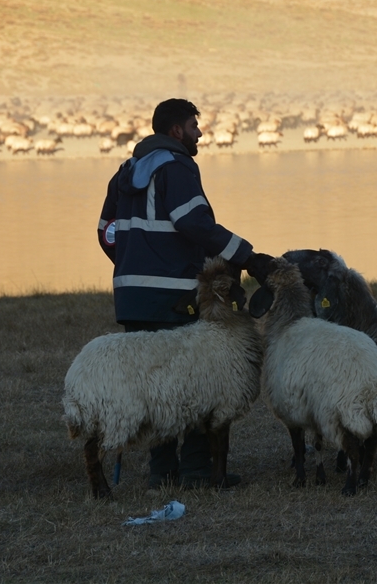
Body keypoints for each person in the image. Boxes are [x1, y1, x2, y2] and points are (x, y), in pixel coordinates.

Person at [98, 97, 268, 489]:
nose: (200, 133)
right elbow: (194, 223)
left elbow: (106, 232)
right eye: (194, 125)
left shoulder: (124, 172)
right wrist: (248, 256)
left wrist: (131, 265)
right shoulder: (178, 167)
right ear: (176, 130)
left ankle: (162, 472)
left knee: (156, 384)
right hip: (175, 294)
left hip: (132, 297)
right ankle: (196, 470)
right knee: (192, 382)